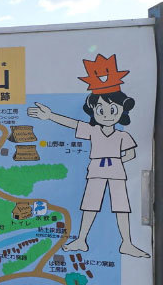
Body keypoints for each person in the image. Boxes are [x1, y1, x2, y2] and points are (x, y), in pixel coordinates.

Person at [27, 54, 149, 258]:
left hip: (117, 172)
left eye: (112, 109)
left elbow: (132, 153)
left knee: (121, 207)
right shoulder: (93, 130)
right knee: (90, 206)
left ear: (122, 111)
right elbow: (73, 124)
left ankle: (126, 243)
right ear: (93, 111)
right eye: (100, 109)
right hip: (96, 171)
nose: (107, 113)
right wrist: (50, 116)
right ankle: (81, 240)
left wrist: (117, 161)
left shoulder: (122, 134)